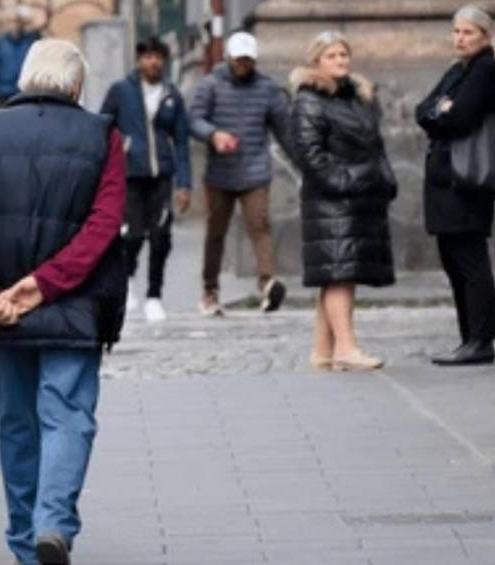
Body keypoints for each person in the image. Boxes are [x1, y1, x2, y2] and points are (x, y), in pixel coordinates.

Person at [0, 39, 127, 565]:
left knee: (17, 423)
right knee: (68, 415)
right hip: (76, 300)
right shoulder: (102, 136)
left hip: (2, 306)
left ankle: (26, 545)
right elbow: (103, 226)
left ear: (25, 78)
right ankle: (54, 524)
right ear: (74, 84)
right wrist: (46, 284)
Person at [290, 31, 397, 371]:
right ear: (316, 61)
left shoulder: (357, 97)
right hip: (331, 200)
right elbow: (309, 154)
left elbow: (375, 144)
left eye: (343, 55)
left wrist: (384, 179)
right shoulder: (309, 100)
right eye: (332, 55)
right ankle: (346, 348)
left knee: (338, 272)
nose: (340, 61)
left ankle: (323, 350)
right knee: (339, 275)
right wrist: (347, 181)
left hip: (358, 199)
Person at [415, 4, 495, 366]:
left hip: (469, 179)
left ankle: (482, 339)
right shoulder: (459, 70)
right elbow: (422, 110)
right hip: (448, 179)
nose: (460, 38)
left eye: (468, 32)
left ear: (486, 36)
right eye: (456, 31)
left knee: (469, 257)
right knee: (453, 257)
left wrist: (443, 112)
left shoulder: (485, 70)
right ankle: (469, 337)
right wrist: (442, 109)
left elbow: (462, 118)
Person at [189, 31, 292, 316]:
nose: (243, 64)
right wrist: (213, 135)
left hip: (255, 170)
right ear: (228, 58)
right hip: (220, 173)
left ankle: (267, 285)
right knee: (216, 233)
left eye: (248, 59)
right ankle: (209, 291)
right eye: (239, 59)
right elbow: (194, 119)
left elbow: (284, 130)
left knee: (260, 227)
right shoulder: (210, 85)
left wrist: (305, 162)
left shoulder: (268, 89)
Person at [100, 36, 191, 322]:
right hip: (130, 175)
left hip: (162, 174)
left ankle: (154, 294)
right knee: (132, 234)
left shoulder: (171, 95)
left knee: (161, 236)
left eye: (158, 57)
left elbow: (182, 141)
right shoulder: (120, 91)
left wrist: (184, 184)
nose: (153, 62)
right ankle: (127, 282)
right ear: (139, 60)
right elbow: (103, 128)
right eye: (148, 57)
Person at [0, 5, 41, 109]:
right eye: (11, 21)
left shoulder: (31, 41)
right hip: (4, 94)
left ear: (22, 23)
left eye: (17, 21)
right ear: (7, 23)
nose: (14, 24)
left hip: (25, 93)